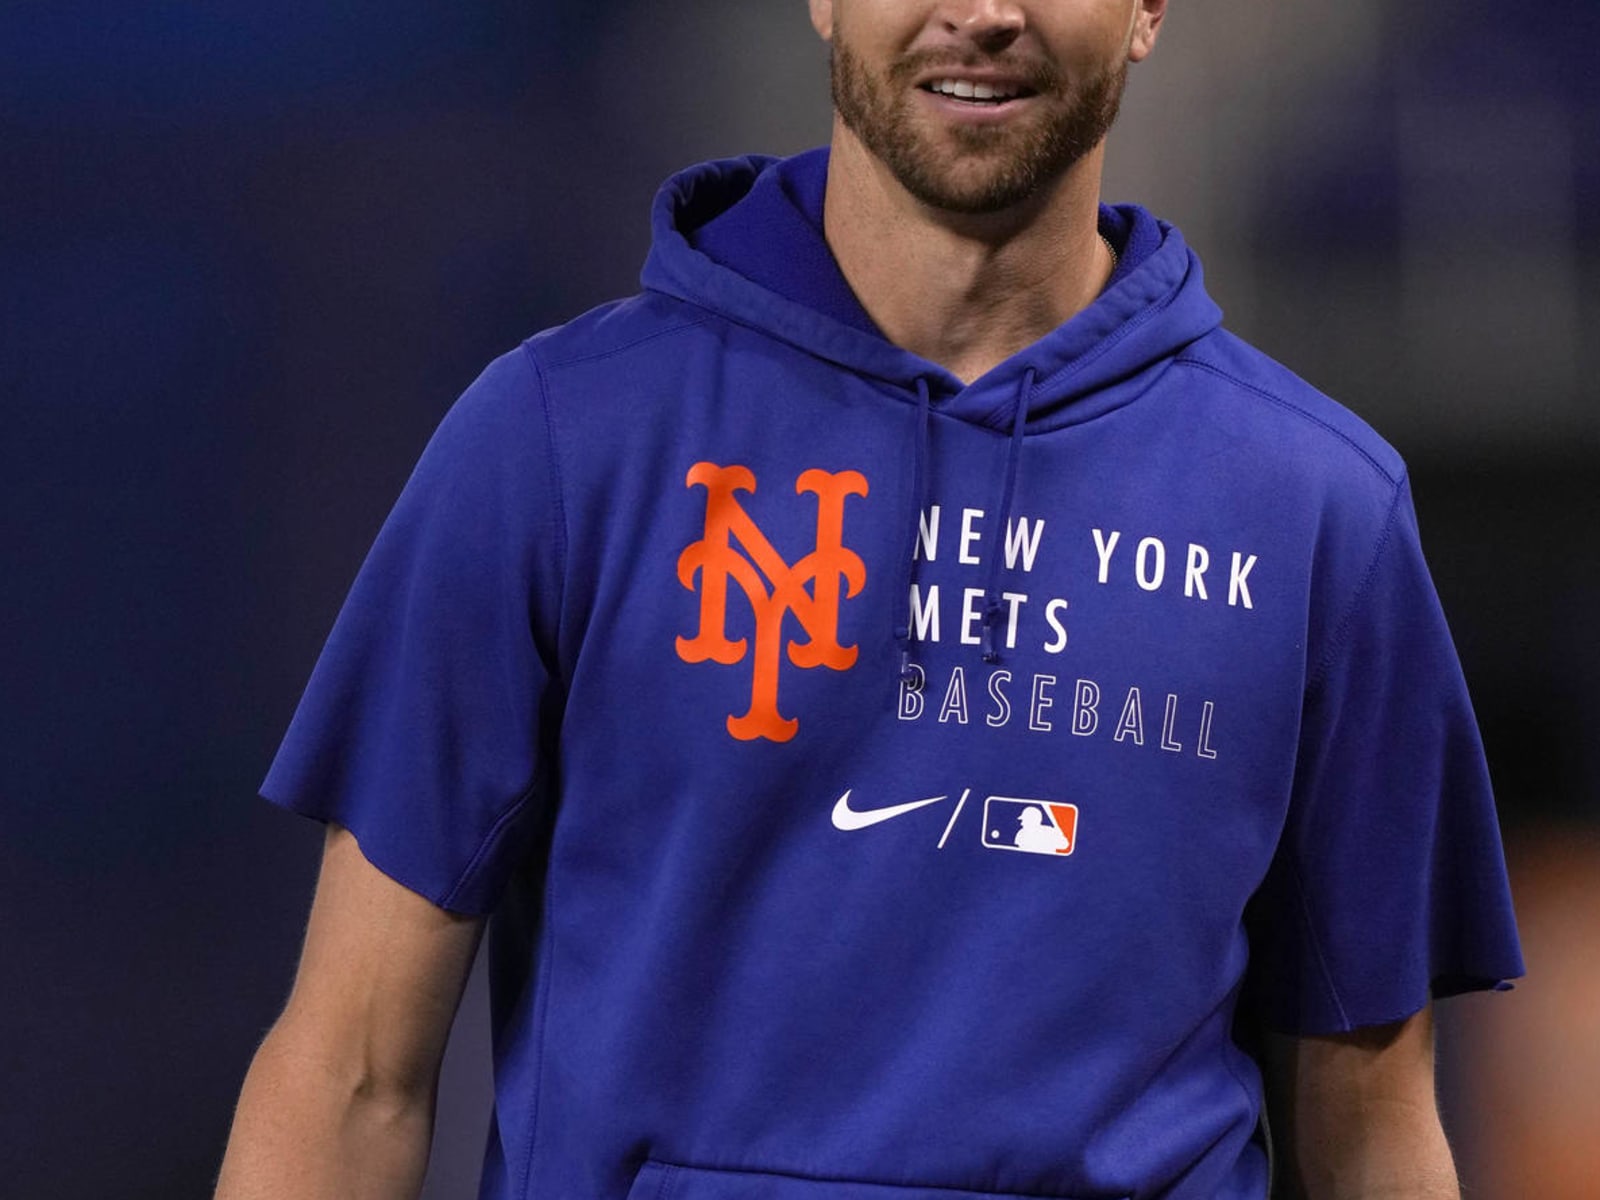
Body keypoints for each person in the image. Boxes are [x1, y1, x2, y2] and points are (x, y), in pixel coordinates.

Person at [216, 2, 1524, 1198]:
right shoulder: (558, 441)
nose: (985, 13)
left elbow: (1371, 1130)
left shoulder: (1319, 511)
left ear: (1147, 10)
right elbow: (351, 1077)